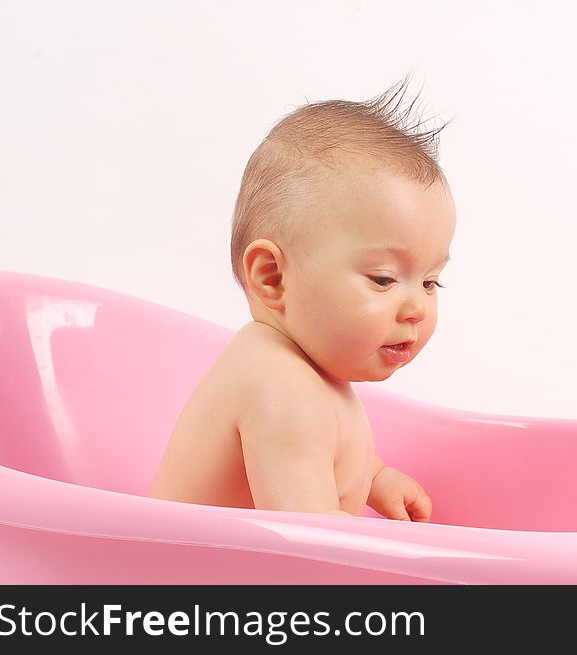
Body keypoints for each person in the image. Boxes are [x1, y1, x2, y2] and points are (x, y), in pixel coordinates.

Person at [149, 76, 456, 522]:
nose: (418, 309)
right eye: (384, 279)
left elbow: (317, 452)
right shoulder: (282, 387)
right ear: (272, 277)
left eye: (430, 282)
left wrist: (375, 477)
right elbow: (307, 536)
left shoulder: (304, 369)